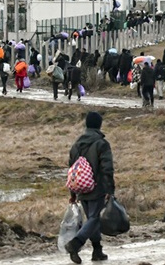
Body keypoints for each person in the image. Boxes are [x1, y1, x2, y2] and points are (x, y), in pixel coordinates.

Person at [65, 112, 115, 264]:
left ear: (86, 124)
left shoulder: (76, 145)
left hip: (80, 187)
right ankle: (76, 243)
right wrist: (110, 190)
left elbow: (72, 170)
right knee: (94, 219)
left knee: (91, 220)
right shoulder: (102, 144)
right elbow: (107, 169)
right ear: (99, 125)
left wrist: (73, 193)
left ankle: (97, 250)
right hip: (97, 187)